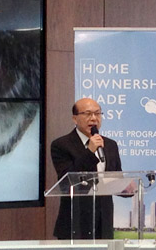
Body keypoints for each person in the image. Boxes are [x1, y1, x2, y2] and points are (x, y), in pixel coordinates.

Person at [51, 98, 122, 239]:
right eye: (88, 114)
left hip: (103, 223)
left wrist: (126, 187)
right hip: (75, 222)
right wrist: (90, 151)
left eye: (97, 113)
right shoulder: (61, 145)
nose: (94, 118)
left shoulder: (110, 145)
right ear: (75, 118)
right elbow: (67, 179)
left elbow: (116, 177)